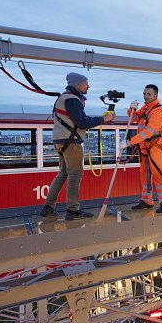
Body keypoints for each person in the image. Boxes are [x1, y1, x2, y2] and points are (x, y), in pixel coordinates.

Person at [40, 72, 116, 220]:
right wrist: (104, 119)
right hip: (71, 142)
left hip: (60, 141)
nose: (88, 86)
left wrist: (100, 119)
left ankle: (48, 207)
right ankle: (73, 210)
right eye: (86, 83)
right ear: (77, 84)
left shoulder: (64, 98)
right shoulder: (73, 99)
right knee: (75, 175)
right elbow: (82, 122)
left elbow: (78, 120)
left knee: (62, 174)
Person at [119, 84, 162, 214]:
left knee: (158, 174)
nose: (145, 96)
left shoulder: (158, 111)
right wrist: (131, 109)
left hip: (154, 146)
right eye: (144, 93)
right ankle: (147, 201)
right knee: (145, 176)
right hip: (145, 147)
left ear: (155, 96)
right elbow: (135, 118)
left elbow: (147, 132)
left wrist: (129, 142)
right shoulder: (146, 108)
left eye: (148, 94)